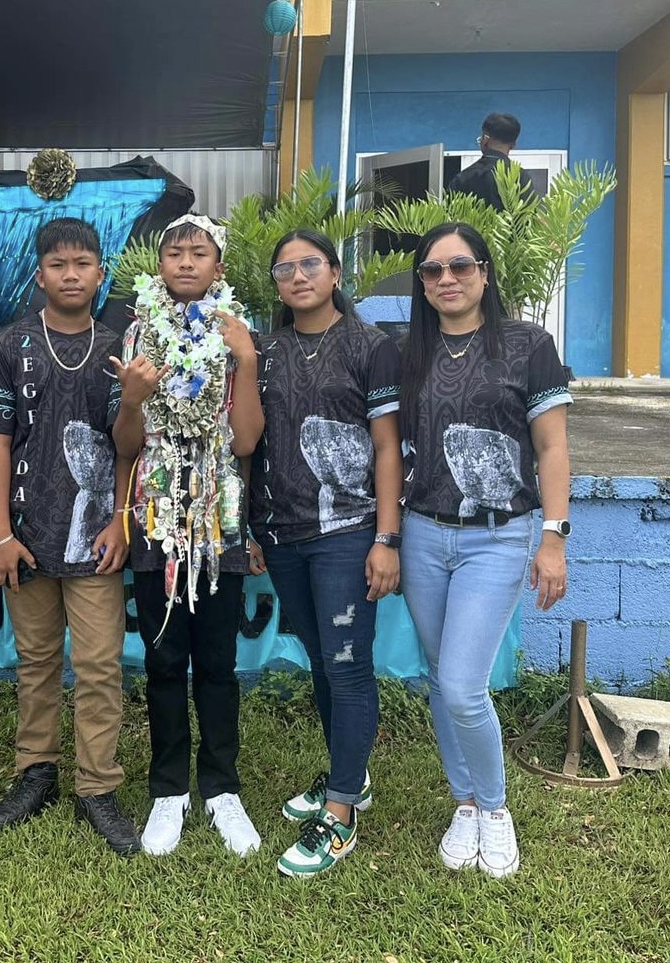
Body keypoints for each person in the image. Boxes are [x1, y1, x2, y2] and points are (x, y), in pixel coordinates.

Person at [398, 222, 571, 877]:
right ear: (420, 283)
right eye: (432, 271)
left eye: (459, 266)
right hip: (421, 533)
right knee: (441, 679)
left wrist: (552, 538)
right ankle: (463, 801)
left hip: (500, 536)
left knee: (465, 686)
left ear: (484, 272)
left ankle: (494, 809)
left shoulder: (527, 346)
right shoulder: (406, 352)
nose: (446, 279)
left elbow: (551, 447)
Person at [0, 217, 137, 855]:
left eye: (83, 264)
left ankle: (97, 786)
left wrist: (121, 519)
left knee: (98, 666)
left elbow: (133, 448)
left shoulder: (124, 344)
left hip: (98, 539)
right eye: (58, 265)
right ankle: (34, 772)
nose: (71, 275)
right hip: (27, 536)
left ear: (101, 273)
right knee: (35, 663)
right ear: (40, 275)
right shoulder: (7, 346)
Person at [248, 229, 402, 878]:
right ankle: (350, 773)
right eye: (285, 268)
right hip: (281, 532)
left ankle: (338, 815)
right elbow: (249, 442)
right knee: (318, 658)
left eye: (310, 263)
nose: (298, 275)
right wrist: (249, 527)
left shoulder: (371, 348)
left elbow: (389, 447)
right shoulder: (263, 351)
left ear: (335, 272)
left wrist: (386, 538)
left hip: (346, 529)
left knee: (346, 666)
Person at [111, 214, 263, 858]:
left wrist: (248, 361)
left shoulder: (236, 331)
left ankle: (221, 788)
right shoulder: (139, 330)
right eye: (174, 252)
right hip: (155, 517)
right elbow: (126, 444)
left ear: (218, 267)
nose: (184, 262)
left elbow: (249, 440)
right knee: (166, 659)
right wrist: (131, 397)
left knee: (219, 665)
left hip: (220, 516)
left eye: (199, 252)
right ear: (159, 265)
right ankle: (168, 788)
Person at [447, 113, 536, 211]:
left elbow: (451, 215)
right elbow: (530, 215)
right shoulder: (520, 177)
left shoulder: (463, 178)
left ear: (484, 140)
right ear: (513, 145)